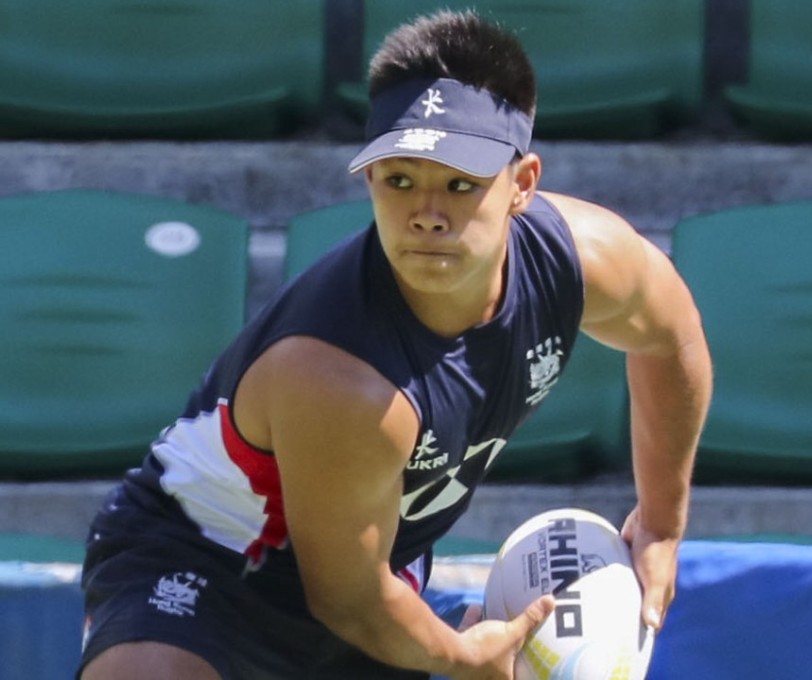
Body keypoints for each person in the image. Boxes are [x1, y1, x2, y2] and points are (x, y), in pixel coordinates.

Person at [78, 9, 712, 680]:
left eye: (461, 185)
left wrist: (662, 527)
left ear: (522, 184)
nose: (426, 214)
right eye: (400, 180)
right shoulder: (341, 373)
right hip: (202, 564)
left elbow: (672, 339)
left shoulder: (586, 259)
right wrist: (465, 656)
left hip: (372, 570)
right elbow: (349, 601)